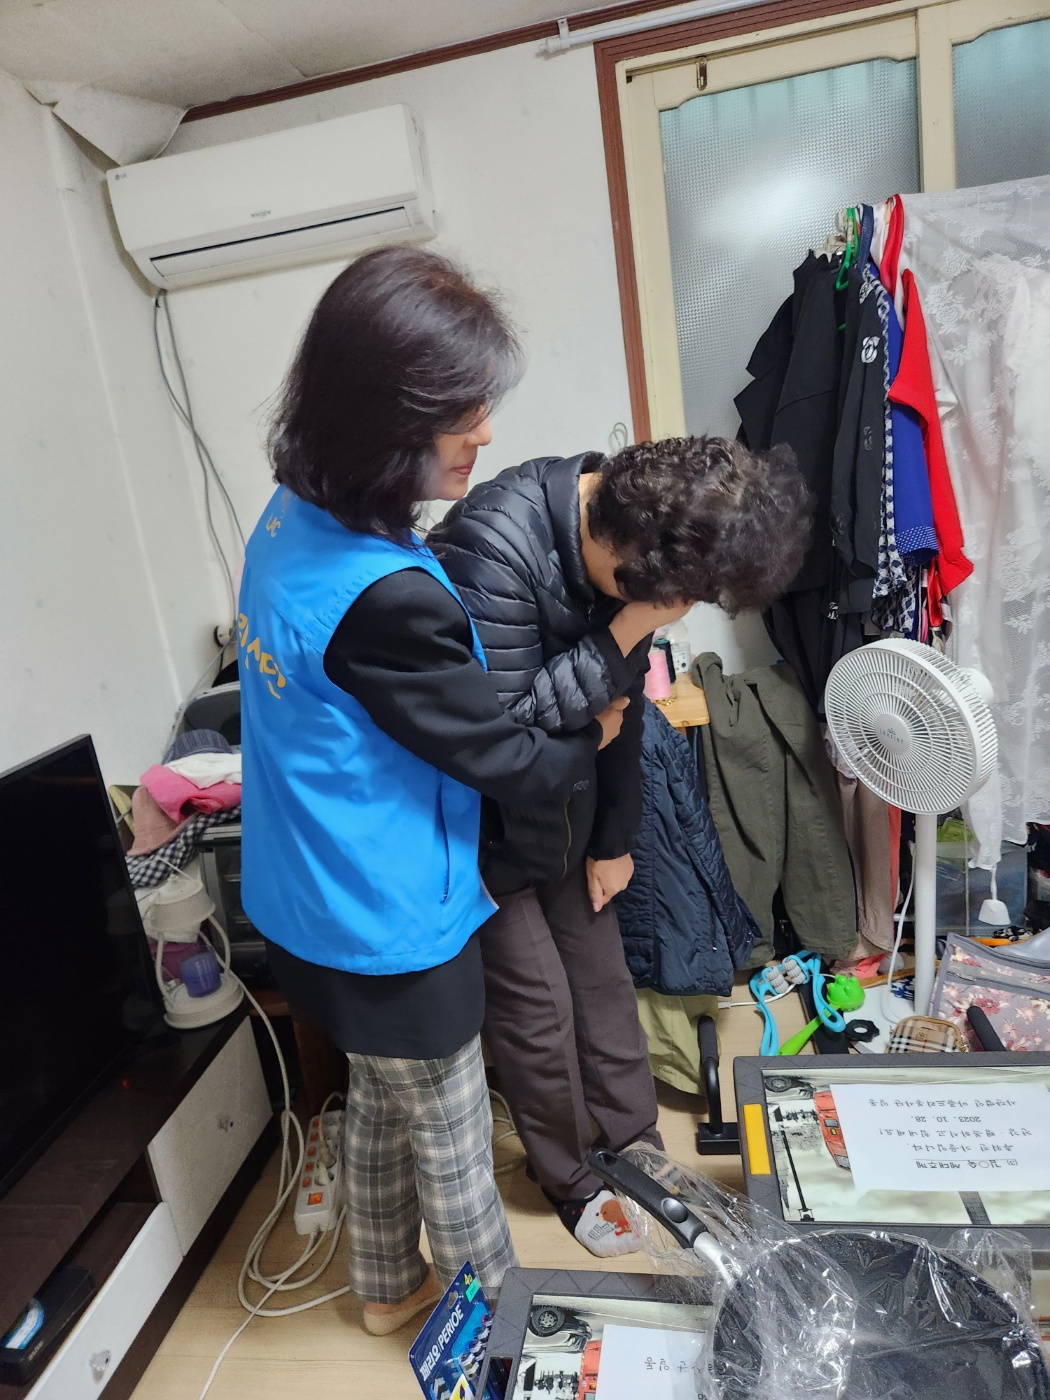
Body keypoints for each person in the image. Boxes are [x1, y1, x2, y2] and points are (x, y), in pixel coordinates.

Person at [236, 245, 628, 1333]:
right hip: (387, 919)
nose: (486, 433)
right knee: (454, 1139)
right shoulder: (388, 599)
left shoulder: (292, 514)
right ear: (383, 419)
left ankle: (383, 1289)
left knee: (380, 1099)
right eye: (461, 412)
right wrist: (596, 734)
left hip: (302, 898)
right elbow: (504, 757)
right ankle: (497, 1338)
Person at [429, 435, 811, 1256]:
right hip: (480, 833)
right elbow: (502, 736)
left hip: (567, 815)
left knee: (605, 985)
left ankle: (635, 1146)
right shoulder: (490, 544)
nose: (677, 611)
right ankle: (569, 1178)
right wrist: (628, 629)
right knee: (539, 1013)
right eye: (675, 598)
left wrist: (614, 840)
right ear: (628, 546)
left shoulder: (632, 552)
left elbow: (623, 717)